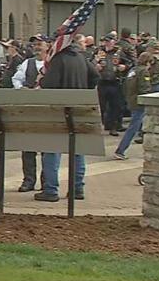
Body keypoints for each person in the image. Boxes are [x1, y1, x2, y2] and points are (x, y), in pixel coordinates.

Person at [35, 40, 99, 203]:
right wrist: (85, 90)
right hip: (79, 107)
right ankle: (77, 188)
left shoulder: (58, 59)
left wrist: (41, 80)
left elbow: (49, 84)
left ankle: (51, 189)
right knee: (78, 150)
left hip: (58, 109)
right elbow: (95, 76)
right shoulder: (81, 57)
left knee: (51, 150)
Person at [12, 38, 50, 191]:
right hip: (29, 109)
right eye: (35, 45)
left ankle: (46, 180)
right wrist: (22, 90)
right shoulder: (28, 63)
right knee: (28, 147)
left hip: (47, 111)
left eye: (40, 45)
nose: (37, 48)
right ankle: (28, 180)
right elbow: (16, 79)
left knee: (47, 149)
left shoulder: (52, 64)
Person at [113, 52, 153, 160]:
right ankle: (120, 150)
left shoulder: (133, 70)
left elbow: (126, 86)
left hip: (131, 100)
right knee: (133, 127)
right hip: (139, 102)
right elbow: (144, 88)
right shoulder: (144, 71)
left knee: (137, 125)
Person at [95, 34, 125, 136]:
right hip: (102, 82)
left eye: (109, 41)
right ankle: (101, 125)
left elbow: (131, 62)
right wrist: (96, 65)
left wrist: (124, 66)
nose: (107, 43)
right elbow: (89, 61)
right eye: (106, 41)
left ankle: (113, 127)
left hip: (114, 82)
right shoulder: (99, 51)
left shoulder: (120, 52)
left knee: (115, 106)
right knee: (101, 106)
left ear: (114, 42)